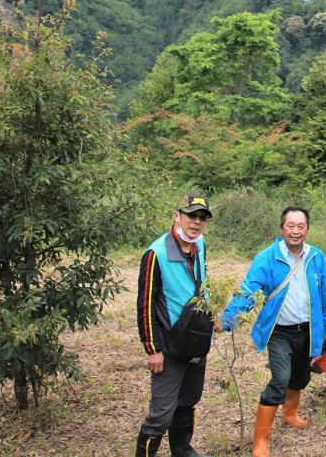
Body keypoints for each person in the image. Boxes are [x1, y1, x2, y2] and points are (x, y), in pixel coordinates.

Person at [220, 206, 326, 457]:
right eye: (290, 226)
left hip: (308, 330)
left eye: (301, 226)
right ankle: (260, 440)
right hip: (279, 332)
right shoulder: (266, 258)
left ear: (307, 229)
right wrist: (226, 321)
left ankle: (290, 414)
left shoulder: (316, 256)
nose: (295, 231)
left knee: (301, 378)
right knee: (280, 378)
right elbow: (249, 291)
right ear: (282, 228)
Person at [135, 193, 222, 457]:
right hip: (170, 345)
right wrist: (152, 349)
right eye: (191, 216)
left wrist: (211, 315)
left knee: (188, 401)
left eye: (202, 218)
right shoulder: (156, 254)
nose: (196, 222)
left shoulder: (200, 244)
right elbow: (145, 305)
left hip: (196, 338)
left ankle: (182, 450)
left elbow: (202, 281)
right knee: (161, 414)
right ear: (176, 216)